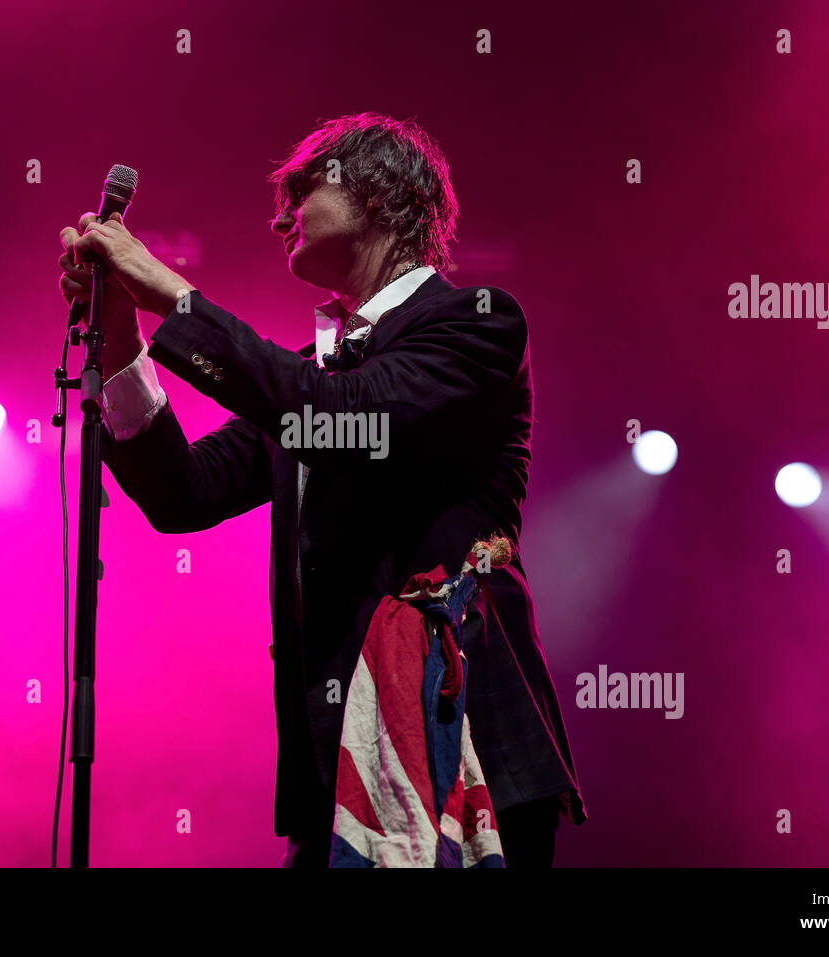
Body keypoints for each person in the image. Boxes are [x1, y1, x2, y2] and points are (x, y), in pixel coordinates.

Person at [57, 112, 586, 867]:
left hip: (461, 747)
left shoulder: (477, 323)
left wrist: (172, 294)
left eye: (299, 192)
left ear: (374, 194)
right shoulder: (317, 373)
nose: (279, 217)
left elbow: (346, 418)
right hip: (337, 768)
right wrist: (121, 329)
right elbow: (185, 492)